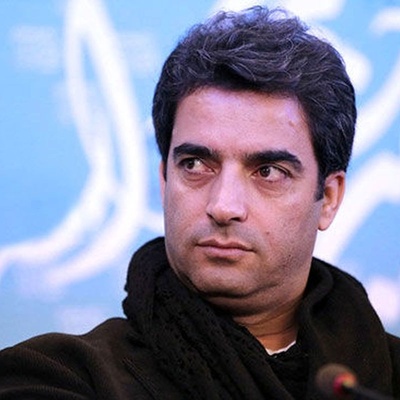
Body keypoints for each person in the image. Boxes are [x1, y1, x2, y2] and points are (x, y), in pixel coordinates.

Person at [0, 6, 399, 400]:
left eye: (268, 171)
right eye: (195, 164)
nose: (223, 206)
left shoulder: (383, 377)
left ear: (328, 198)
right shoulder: (56, 377)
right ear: (164, 180)